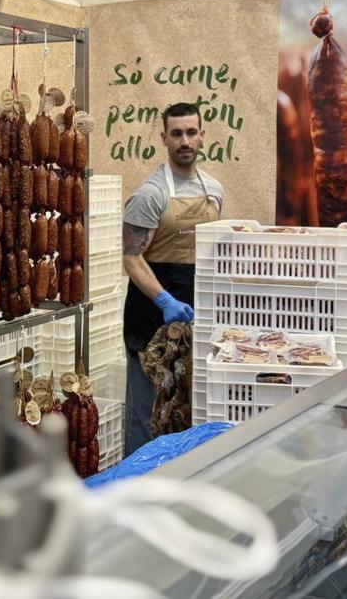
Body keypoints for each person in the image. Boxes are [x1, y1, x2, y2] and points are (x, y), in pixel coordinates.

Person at [121, 102, 222, 455]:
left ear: (202, 136)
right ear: (164, 138)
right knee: (147, 416)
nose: (185, 141)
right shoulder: (151, 194)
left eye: (191, 132)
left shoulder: (214, 191)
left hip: (193, 319)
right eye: (176, 133)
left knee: (183, 415)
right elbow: (131, 259)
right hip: (152, 322)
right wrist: (164, 300)